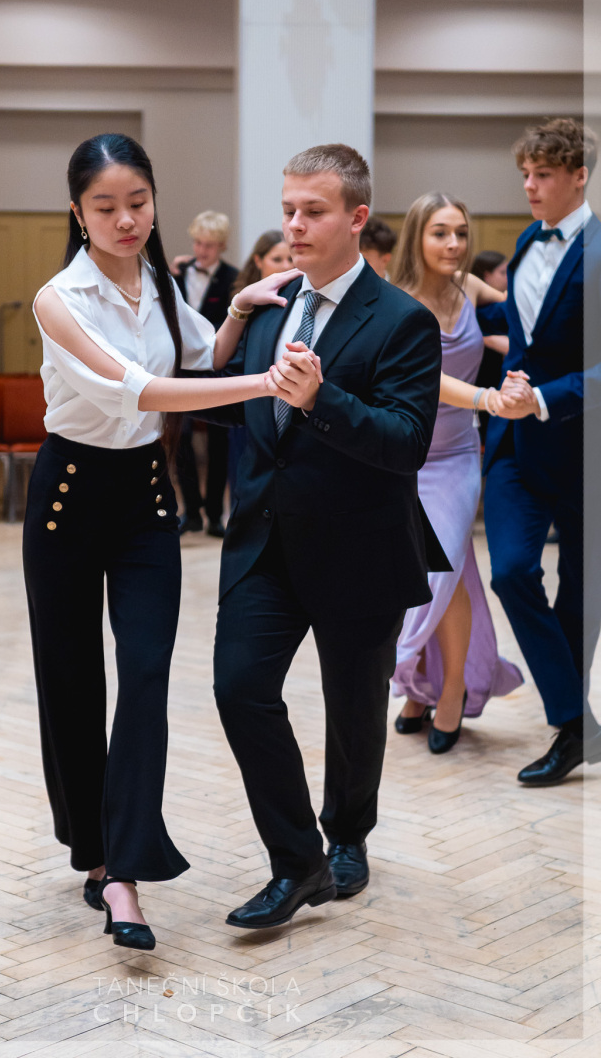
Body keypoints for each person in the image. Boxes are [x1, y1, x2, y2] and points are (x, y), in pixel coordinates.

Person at [22, 134, 297, 951]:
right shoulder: (57, 299)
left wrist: (240, 310)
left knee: (144, 675)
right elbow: (137, 389)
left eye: (137, 202)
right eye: (105, 207)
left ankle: (127, 871)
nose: (125, 219)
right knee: (73, 682)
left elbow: (197, 356)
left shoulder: (159, 282)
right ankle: (97, 853)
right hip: (68, 498)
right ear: (77, 213)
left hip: (144, 499)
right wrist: (264, 384)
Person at [202, 143, 449, 929]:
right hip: (264, 544)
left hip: (359, 548)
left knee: (354, 713)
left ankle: (347, 837)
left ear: (357, 217)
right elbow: (230, 402)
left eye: (313, 211)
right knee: (239, 688)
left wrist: (321, 400)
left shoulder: (403, 320)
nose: (295, 226)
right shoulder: (271, 305)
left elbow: (406, 442)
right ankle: (296, 859)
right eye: (288, 211)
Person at [478, 118, 601, 786]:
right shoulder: (529, 239)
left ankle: (571, 731)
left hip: (584, 449)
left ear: (579, 177)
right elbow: (527, 323)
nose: (529, 186)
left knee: (581, 598)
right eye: (525, 174)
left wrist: (547, 398)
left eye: (543, 174)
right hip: (516, 444)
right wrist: (458, 300)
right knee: (512, 571)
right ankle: (577, 720)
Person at [390, 194, 524, 752]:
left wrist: (523, 359)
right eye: (441, 233)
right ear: (417, 237)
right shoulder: (396, 300)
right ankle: (419, 686)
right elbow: (428, 376)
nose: (454, 244)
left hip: (457, 458)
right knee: (432, 575)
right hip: (406, 458)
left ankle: (450, 694)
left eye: (461, 233)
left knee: (441, 570)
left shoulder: (469, 287)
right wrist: (490, 398)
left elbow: (529, 315)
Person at [173, 212, 238, 536]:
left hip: (216, 367)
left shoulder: (233, 278)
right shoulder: (178, 272)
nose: (201, 251)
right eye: (198, 243)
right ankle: (191, 511)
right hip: (181, 369)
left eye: (209, 245)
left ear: (222, 246)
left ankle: (214, 515)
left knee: (218, 441)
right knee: (180, 436)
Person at [228, 231, 294, 493]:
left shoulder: (294, 300)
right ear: (258, 260)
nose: (285, 266)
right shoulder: (243, 300)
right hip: (242, 397)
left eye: (290, 259)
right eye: (277, 259)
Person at [471, 250, 510, 444]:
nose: (507, 277)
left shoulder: (496, 307)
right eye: (502, 273)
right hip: (481, 379)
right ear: (486, 276)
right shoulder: (488, 311)